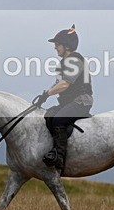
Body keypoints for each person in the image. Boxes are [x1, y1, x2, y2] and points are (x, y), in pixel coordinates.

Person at [38, 25, 93, 172]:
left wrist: (47, 94)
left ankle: (59, 157)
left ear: (67, 46)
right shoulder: (64, 63)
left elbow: (64, 84)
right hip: (69, 101)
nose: (55, 48)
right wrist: (44, 95)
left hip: (81, 101)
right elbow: (57, 84)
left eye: (57, 44)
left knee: (58, 120)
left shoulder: (74, 60)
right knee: (49, 115)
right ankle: (55, 149)